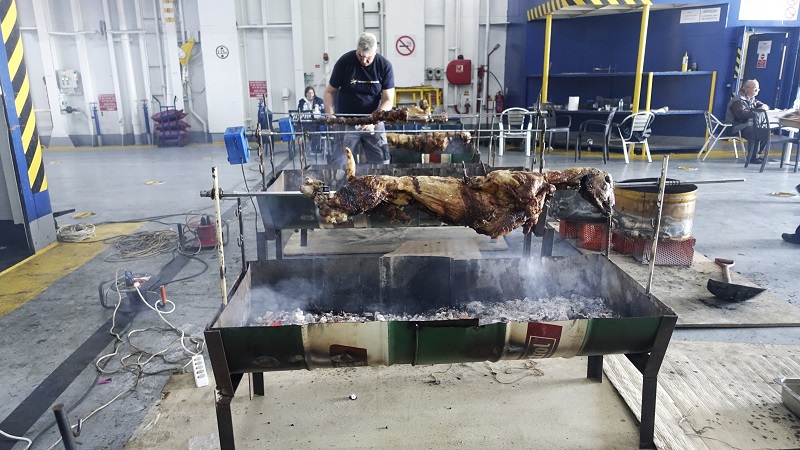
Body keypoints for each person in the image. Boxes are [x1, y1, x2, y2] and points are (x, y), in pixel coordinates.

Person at [324, 32, 395, 167]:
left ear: (375, 51)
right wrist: (330, 115)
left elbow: (388, 99)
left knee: (382, 162)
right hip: (346, 123)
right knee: (340, 163)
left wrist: (374, 120)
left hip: (373, 122)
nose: (364, 61)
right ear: (357, 49)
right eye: (360, 56)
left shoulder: (384, 66)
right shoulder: (344, 62)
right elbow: (329, 92)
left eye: (368, 58)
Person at [725, 79, 770, 164]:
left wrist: (764, 107)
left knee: (765, 132)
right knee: (755, 132)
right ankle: (752, 157)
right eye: (755, 88)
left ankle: (757, 153)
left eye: (758, 89)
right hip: (736, 126)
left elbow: (763, 105)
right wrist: (757, 111)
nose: (757, 90)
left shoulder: (752, 99)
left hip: (746, 125)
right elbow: (741, 115)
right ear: (746, 88)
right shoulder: (738, 100)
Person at [298, 86, 325, 153]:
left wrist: (317, 109)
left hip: (316, 121)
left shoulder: (319, 100)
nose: (310, 95)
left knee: (316, 129)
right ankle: (304, 148)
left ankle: (316, 148)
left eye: (312, 93)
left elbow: (323, 111)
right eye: (309, 93)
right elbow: (299, 111)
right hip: (305, 121)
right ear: (306, 94)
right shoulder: (302, 101)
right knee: (302, 128)